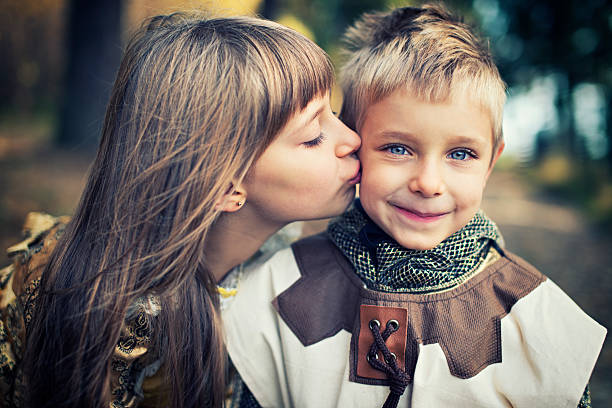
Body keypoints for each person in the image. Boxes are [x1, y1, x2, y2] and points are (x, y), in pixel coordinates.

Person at [221, 4, 607, 408]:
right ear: (356, 146)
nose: (428, 182)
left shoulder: (535, 318)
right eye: (398, 148)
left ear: (491, 162)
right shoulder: (276, 288)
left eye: (460, 154)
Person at [0, 12, 361, 408]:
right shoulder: (128, 328)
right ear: (225, 186)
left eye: (335, 112)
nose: (351, 138)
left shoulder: (283, 257)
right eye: (313, 136)